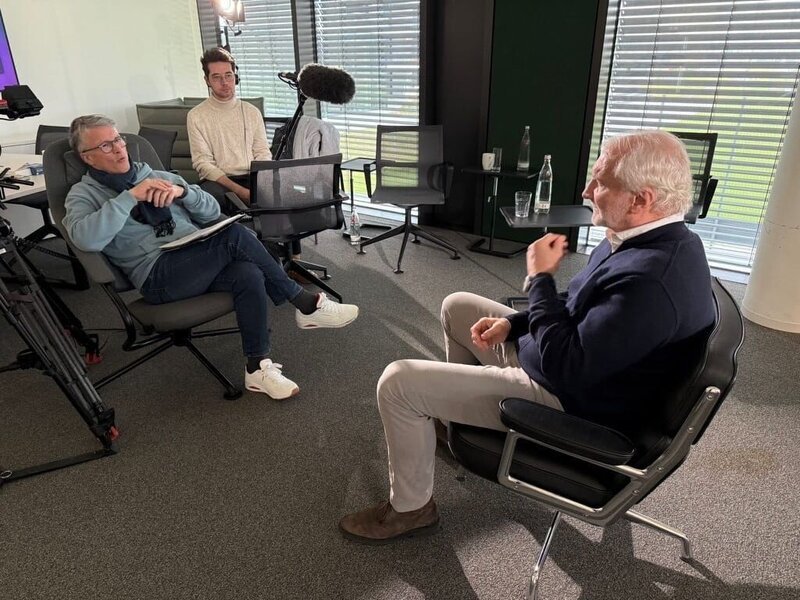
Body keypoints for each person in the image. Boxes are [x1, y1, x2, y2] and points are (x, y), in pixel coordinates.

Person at [338, 130, 716, 543]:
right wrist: (515, 324)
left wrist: (539, 278)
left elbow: (565, 367)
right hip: (568, 361)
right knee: (457, 305)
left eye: (601, 183)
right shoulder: (642, 240)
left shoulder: (651, 280)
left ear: (641, 199)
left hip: (568, 398)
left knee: (397, 382)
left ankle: (411, 509)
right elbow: (578, 302)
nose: (588, 191)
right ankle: (452, 419)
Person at [62, 114, 359, 400]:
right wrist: (130, 197)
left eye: (118, 140)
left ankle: (257, 366)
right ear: (87, 157)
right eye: (105, 145)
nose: (118, 149)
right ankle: (304, 304)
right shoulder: (83, 194)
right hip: (158, 275)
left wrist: (182, 193)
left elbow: (210, 211)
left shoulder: (155, 174)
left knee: (247, 272)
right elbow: (85, 239)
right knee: (235, 237)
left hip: (194, 257)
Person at [187, 47, 303, 265]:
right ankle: (245, 261)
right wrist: (239, 190)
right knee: (212, 196)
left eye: (229, 76)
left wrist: (266, 179)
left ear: (235, 76)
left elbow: (262, 152)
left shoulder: (251, 112)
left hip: (253, 174)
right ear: (207, 81)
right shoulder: (196, 116)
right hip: (219, 180)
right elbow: (203, 163)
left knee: (283, 188)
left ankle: (293, 260)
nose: (225, 82)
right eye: (217, 77)